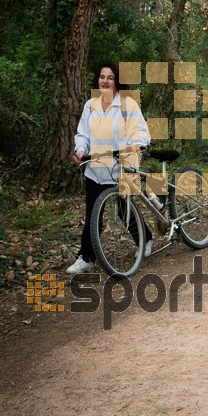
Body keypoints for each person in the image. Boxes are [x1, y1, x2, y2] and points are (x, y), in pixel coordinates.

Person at [68, 63, 150, 274]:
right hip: (95, 168)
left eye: (110, 77)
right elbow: (83, 133)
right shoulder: (90, 105)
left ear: (117, 82)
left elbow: (140, 130)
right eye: (102, 77)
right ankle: (86, 257)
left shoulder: (127, 104)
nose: (105, 81)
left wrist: (137, 144)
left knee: (125, 211)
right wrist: (80, 150)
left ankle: (145, 239)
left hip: (121, 165)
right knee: (93, 214)